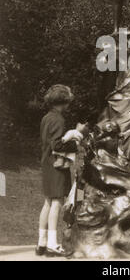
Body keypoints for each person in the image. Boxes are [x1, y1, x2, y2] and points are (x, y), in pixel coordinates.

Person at [36, 85, 84, 257]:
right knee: (56, 202)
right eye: (68, 102)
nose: (68, 105)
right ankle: (52, 245)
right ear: (63, 102)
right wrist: (76, 141)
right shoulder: (59, 119)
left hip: (46, 163)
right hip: (56, 165)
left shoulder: (46, 117)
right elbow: (57, 144)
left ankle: (41, 243)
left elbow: (49, 143)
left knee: (48, 202)